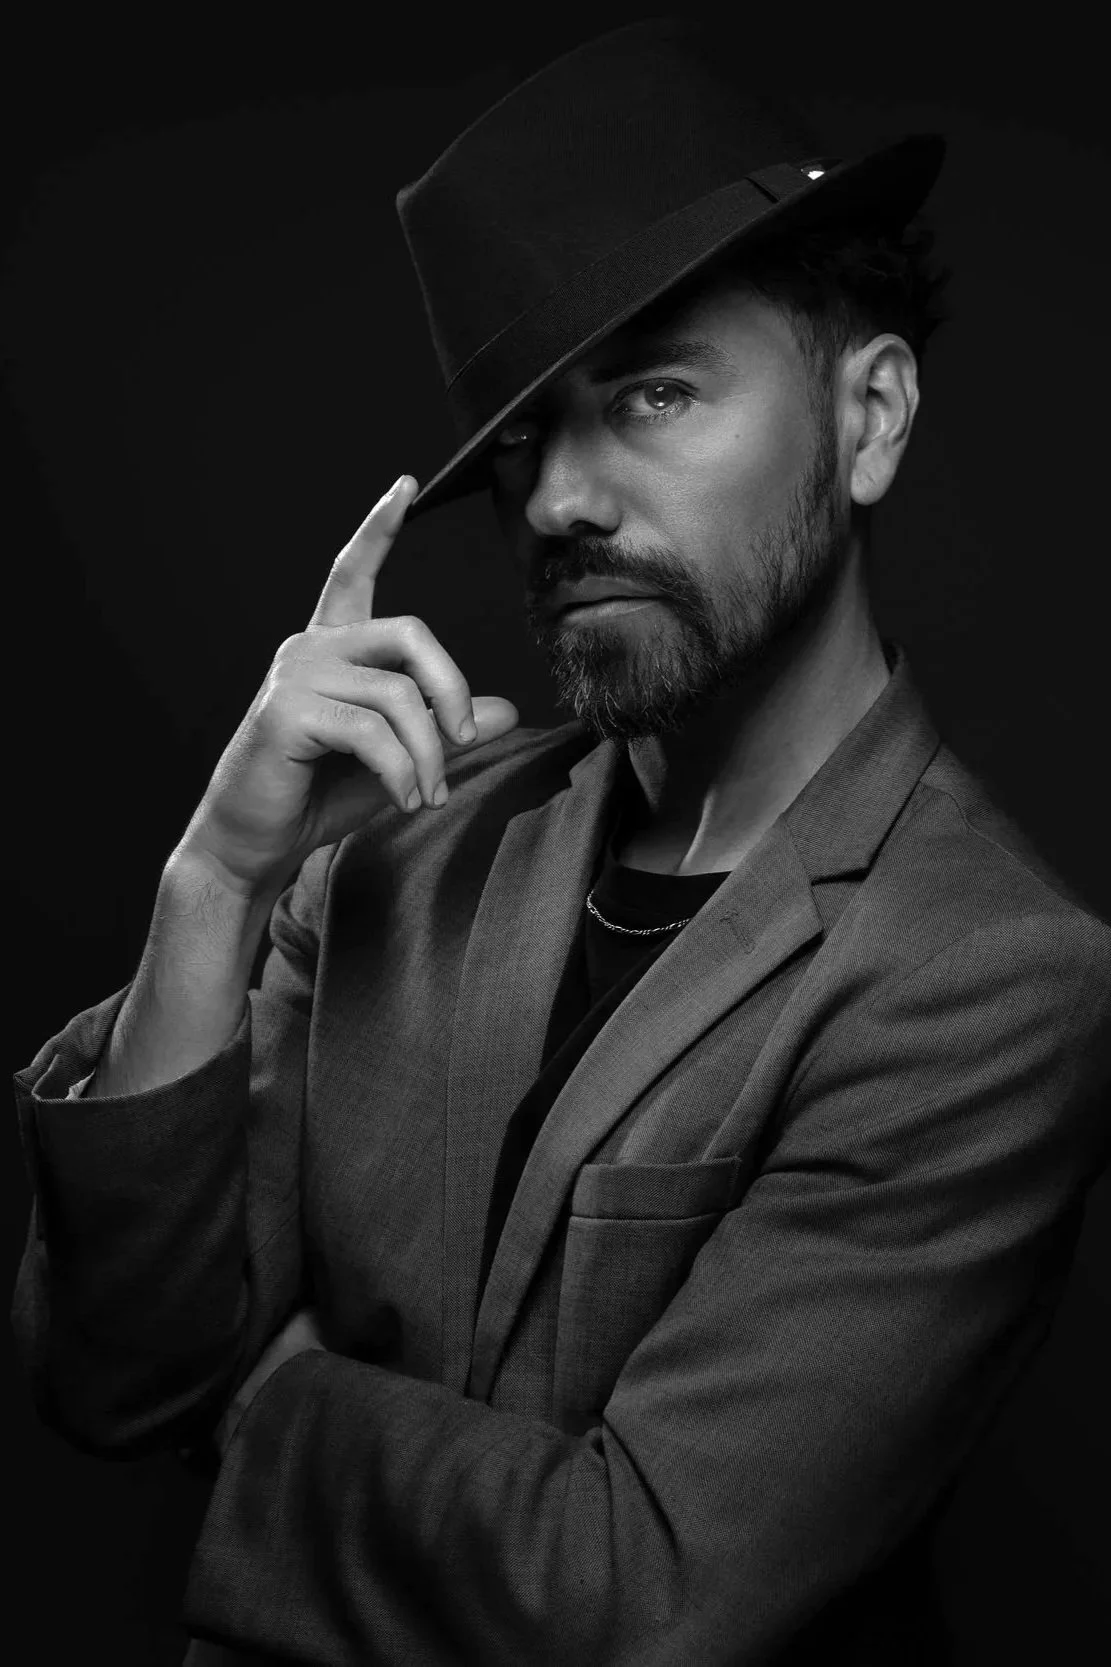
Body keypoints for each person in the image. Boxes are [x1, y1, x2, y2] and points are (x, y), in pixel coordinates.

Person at [11, 19, 1111, 1667]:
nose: (556, 504)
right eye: (531, 436)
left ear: (869, 412)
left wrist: (269, 1404)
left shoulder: (991, 979)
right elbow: (115, 1376)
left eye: (656, 392)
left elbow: (636, 1598)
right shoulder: (399, 848)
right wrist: (217, 884)